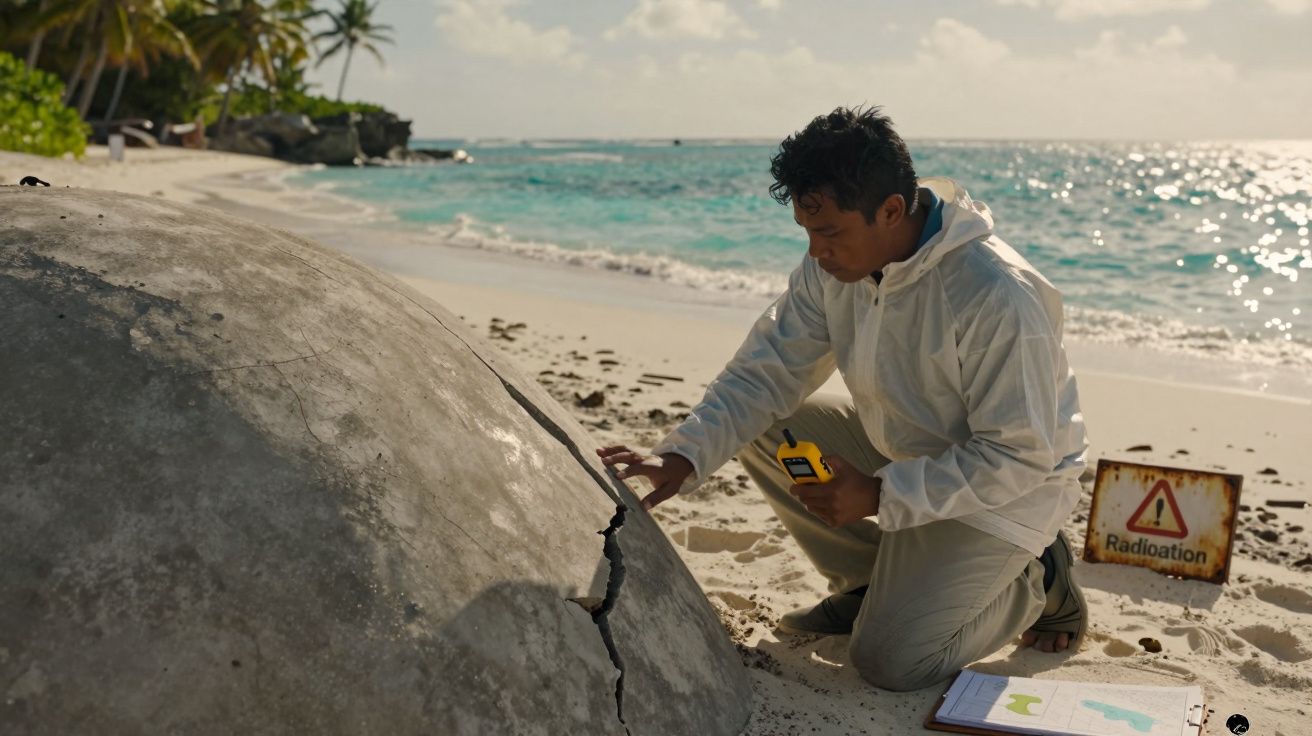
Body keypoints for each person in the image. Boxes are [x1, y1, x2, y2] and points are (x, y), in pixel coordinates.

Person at [596, 106, 1089, 692]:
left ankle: (1040, 578)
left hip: (1009, 492)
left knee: (891, 662)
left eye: (829, 233)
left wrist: (880, 493)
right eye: (807, 232)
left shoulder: (997, 291)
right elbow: (765, 371)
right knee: (770, 424)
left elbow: (1020, 455)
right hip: (902, 451)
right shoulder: (832, 267)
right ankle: (868, 580)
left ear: (891, 210)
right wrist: (682, 455)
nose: (816, 253)